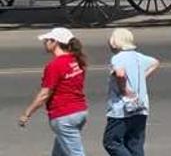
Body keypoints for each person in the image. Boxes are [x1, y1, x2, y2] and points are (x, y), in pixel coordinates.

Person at [19, 26, 88, 156]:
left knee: (76, 153)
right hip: (79, 112)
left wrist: (27, 113)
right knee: (59, 153)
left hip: (64, 115)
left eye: (47, 40)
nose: (45, 43)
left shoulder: (55, 65)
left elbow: (44, 94)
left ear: (55, 42)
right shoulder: (76, 61)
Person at [102, 28, 158, 156]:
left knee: (111, 142)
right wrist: (142, 76)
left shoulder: (117, 58)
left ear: (115, 42)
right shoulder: (138, 56)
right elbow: (155, 63)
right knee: (134, 143)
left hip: (121, 109)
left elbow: (120, 74)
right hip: (141, 107)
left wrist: (125, 90)